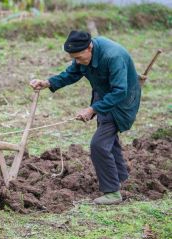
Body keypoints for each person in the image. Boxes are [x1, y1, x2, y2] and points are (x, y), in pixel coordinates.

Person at [30, 30, 145, 205]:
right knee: (108, 140)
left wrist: (92, 109)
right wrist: (48, 83)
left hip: (121, 101)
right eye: (73, 57)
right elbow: (72, 73)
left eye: (78, 57)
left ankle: (112, 192)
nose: (77, 61)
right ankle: (121, 177)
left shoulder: (113, 56)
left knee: (98, 144)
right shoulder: (83, 55)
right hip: (104, 94)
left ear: (89, 47)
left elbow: (120, 91)